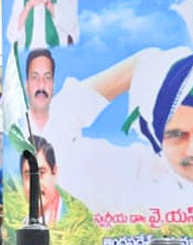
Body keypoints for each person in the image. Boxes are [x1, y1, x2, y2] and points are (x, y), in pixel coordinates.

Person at [36, 46, 193, 212]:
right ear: (156, 137)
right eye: (176, 135)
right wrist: (136, 67)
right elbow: (48, 143)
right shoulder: (140, 183)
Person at [20, 136, 66, 226]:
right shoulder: (21, 222)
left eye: (41, 173)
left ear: (54, 172)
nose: (35, 184)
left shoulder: (74, 219)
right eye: (28, 175)